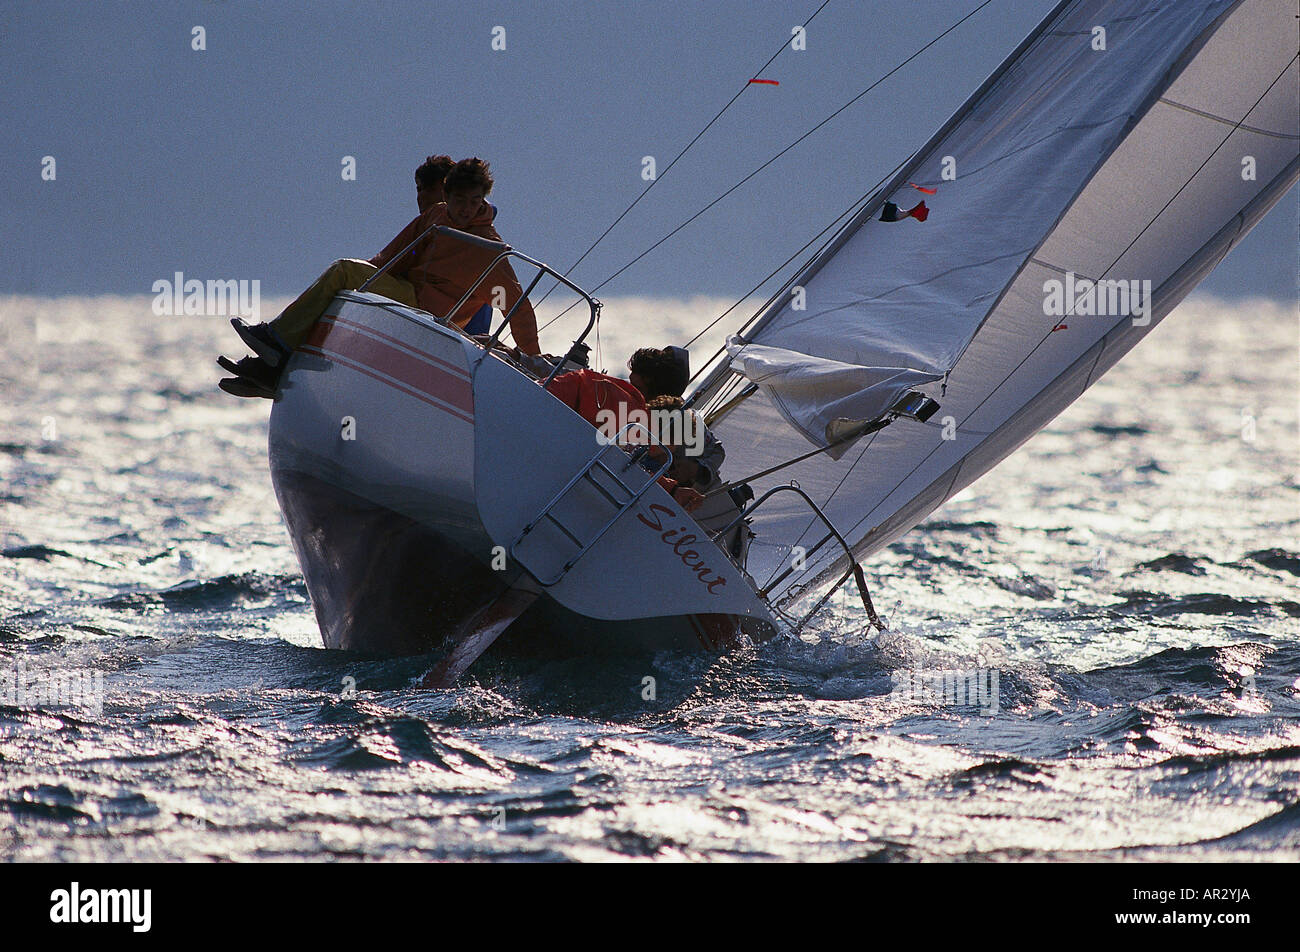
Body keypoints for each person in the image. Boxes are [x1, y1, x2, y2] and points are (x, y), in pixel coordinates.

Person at [219, 157, 541, 397]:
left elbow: (519, 309)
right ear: (448, 195)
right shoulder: (436, 216)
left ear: (484, 199)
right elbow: (392, 258)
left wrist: (534, 360)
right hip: (406, 297)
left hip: (431, 318)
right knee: (347, 284)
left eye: (474, 202)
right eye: (459, 200)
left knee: (345, 270)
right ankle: (272, 369)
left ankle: (275, 342)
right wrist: (366, 284)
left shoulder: (488, 249)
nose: (466, 209)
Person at [544, 365, 704, 513]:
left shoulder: (630, 406)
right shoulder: (636, 430)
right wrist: (672, 490)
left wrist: (673, 490)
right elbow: (623, 468)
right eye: (677, 443)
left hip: (544, 397)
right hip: (549, 415)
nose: (673, 450)